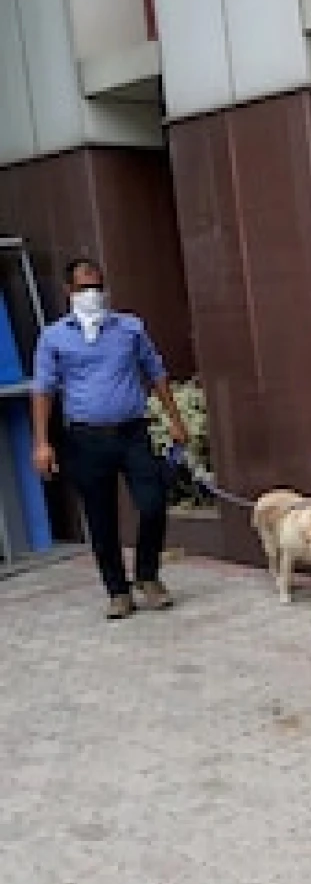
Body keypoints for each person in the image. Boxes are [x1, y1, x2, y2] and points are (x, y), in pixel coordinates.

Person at [30, 258, 193, 619]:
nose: (92, 294)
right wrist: (41, 442)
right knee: (101, 517)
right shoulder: (54, 337)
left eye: (97, 287)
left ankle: (147, 575)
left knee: (152, 503)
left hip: (132, 432)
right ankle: (118, 591)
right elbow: (43, 389)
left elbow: (156, 372)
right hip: (86, 438)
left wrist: (175, 421)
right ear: (69, 291)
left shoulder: (129, 328)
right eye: (84, 288)